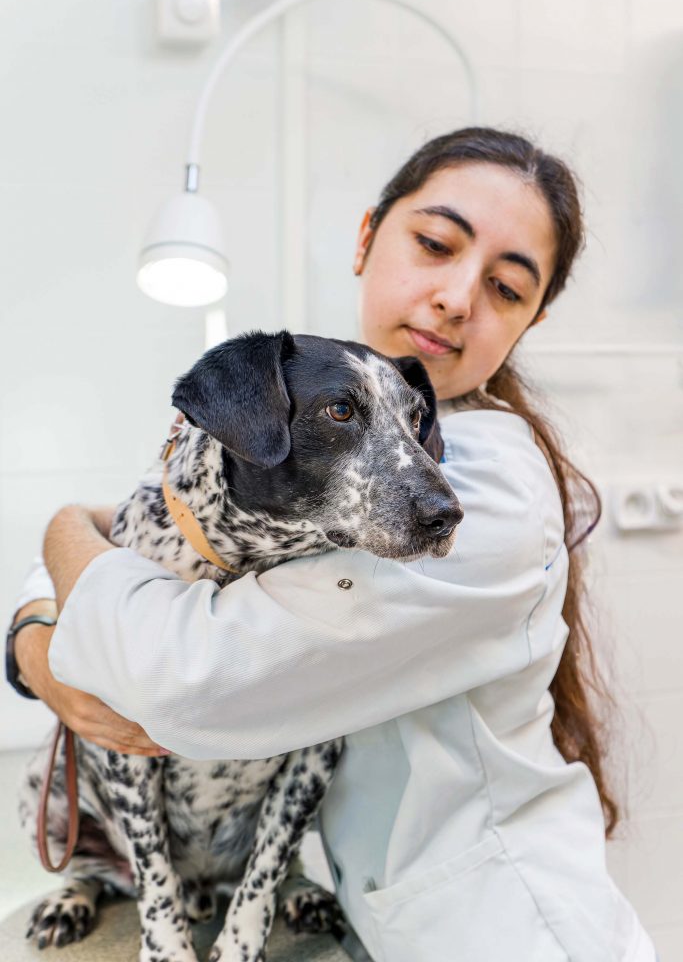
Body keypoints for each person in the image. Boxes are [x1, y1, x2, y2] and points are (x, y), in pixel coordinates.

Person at [8, 128, 657, 962]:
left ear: (530, 320)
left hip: (506, 933)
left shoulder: (479, 496)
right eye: (435, 244)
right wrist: (35, 633)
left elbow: (174, 675)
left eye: (505, 288)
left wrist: (62, 531)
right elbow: (162, 527)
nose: (457, 298)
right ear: (365, 239)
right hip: (384, 916)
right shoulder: (323, 401)